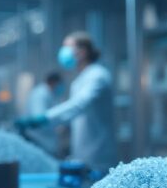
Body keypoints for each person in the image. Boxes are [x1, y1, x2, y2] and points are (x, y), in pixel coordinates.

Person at [16, 31, 117, 172]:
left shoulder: (98, 75)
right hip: (83, 155)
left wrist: (44, 118)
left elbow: (78, 105)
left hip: (98, 155)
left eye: (67, 47)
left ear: (82, 52)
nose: (63, 52)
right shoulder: (79, 80)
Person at [24, 72, 64, 155]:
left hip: (46, 140)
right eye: (59, 84)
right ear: (53, 82)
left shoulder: (51, 94)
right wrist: (57, 125)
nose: (61, 87)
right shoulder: (40, 94)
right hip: (38, 139)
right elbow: (39, 118)